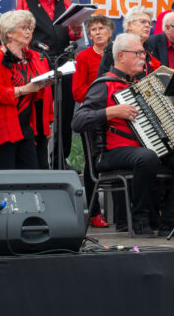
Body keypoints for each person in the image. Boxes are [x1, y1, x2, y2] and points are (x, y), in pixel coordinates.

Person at [71, 33, 174, 238]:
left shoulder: (146, 84)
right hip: (112, 153)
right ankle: (140, 218)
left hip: (148, 151)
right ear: (121, 55)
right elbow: (78, 121)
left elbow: (166, 114)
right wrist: (111, 112)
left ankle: (170, 218)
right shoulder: (104, 85)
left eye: (144, 53)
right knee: (147, 157)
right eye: (138, 53)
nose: (144, 57)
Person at [17, 0, 82, 169]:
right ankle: (38, 161)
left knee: (65, 112)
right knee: (39, 113)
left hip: (63, 62)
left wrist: (76, 28)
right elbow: (19, 30)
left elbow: (72, 36)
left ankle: (60, 160)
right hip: (38, 63)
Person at [0, 10, 54, 170]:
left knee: (31, 174)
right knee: (7, 177)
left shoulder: (29, 57)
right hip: (5, 124)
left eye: (30, 28)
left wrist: (42, 84)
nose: (28, 31)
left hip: (27, 125)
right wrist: (24, 89)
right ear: (8, 33)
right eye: (23, 27)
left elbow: (35, 91)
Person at [71, 14, 115, 228]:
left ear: (110, 31)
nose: (97, 32)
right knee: (92, 165)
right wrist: (99, 95)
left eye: (101, 28)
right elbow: (77, 92)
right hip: (92, 116)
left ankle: (121, 211)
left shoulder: (117, 53)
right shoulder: (83, 57)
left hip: (116, 115)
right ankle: (94, 211)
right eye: (93, 30)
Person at [98, 6, 160, 76]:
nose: (147, 25)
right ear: (129, 25)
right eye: (143, 22)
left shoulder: (150, 51)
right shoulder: (115, 47)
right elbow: (104, 78)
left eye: (149, 23)